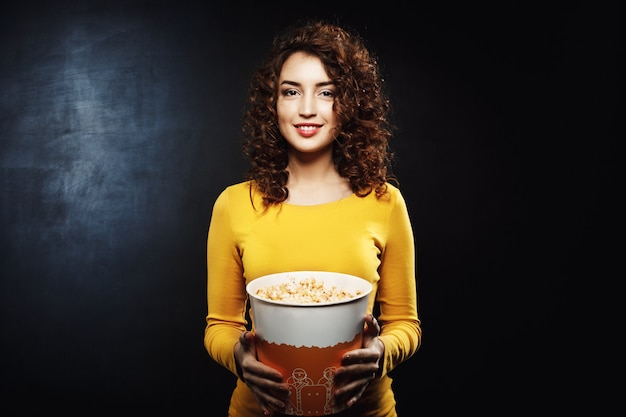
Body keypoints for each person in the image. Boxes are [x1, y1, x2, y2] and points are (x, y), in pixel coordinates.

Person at [204, 19, 421, 417]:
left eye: (326, 92)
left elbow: (406, 323)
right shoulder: (234, 205)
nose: (307, 108)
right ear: (273, 103)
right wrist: (238, 357)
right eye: (291, 91)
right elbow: (219, 325)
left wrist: (381, 353)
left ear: (350, 104)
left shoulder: (384, 202)